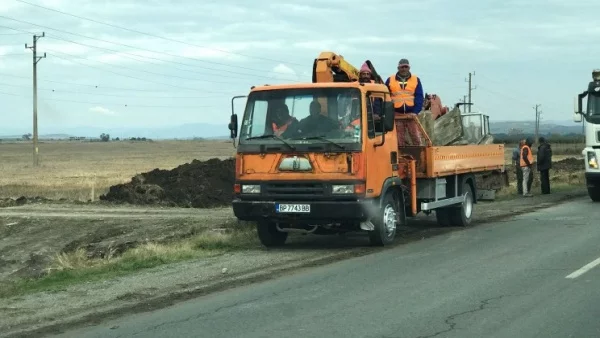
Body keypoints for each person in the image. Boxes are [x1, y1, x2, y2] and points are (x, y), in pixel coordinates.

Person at [385, 58, 424, 145]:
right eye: (402, 67)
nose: (404, 69)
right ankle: (401, 156)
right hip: (397, 114)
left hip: (411, 114)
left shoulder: (416, 79)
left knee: (416, 137)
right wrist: (389, 112)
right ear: (398, 68)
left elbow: (419, 96)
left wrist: (415, 112)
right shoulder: (390, 80)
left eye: (406, 67)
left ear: (409, 68)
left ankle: (419, 155)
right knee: (399, 139)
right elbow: (385, 96)